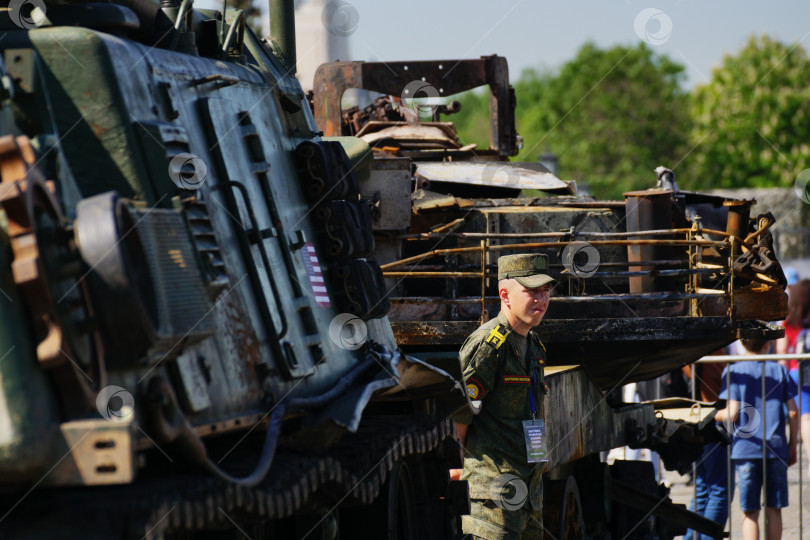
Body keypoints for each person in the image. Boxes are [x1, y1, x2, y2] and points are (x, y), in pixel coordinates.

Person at [452, 253, 553, 539]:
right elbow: (461, 412)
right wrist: (460, 468)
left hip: (529, 495)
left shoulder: (534, 346)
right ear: (505, 295)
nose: (541, 299)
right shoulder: (488, 344)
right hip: (493, 498)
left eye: (545, 291)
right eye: (531, 291)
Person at [716, 337, 799, 540]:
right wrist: (792, 445)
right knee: (775, 508)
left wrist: (709, 415)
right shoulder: (779, 370)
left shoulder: (733, 370)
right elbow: (793, 412)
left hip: (745, 448)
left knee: (750, 512)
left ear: (742, 343)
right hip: (776, 447)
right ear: (767, 344)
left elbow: (732, 413)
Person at [684, 352, 728, 540]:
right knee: (717, 490)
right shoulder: (712, 354)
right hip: (713, 420)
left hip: (701, 418)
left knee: (702, 489)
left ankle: (691, 537)